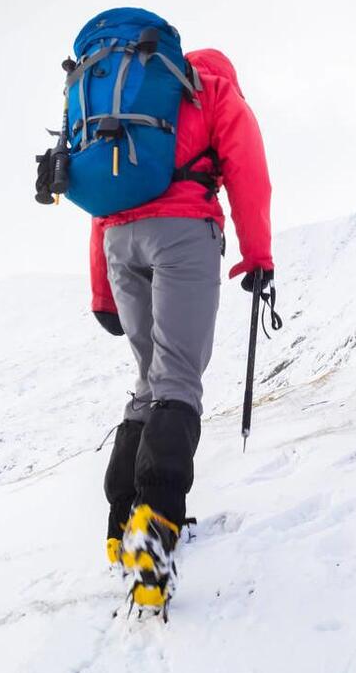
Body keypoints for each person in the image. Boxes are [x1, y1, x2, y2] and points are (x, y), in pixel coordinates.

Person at [86, 46, 274, 614]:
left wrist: (101, 288)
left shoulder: (125, 110)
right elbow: (247, 169)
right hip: (183, 234)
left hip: (120, 243)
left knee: (147, 383)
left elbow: (102, 200)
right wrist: (257, 254)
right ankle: (156, 528)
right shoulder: (212, 92)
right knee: (177, 384)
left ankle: (123, 525)